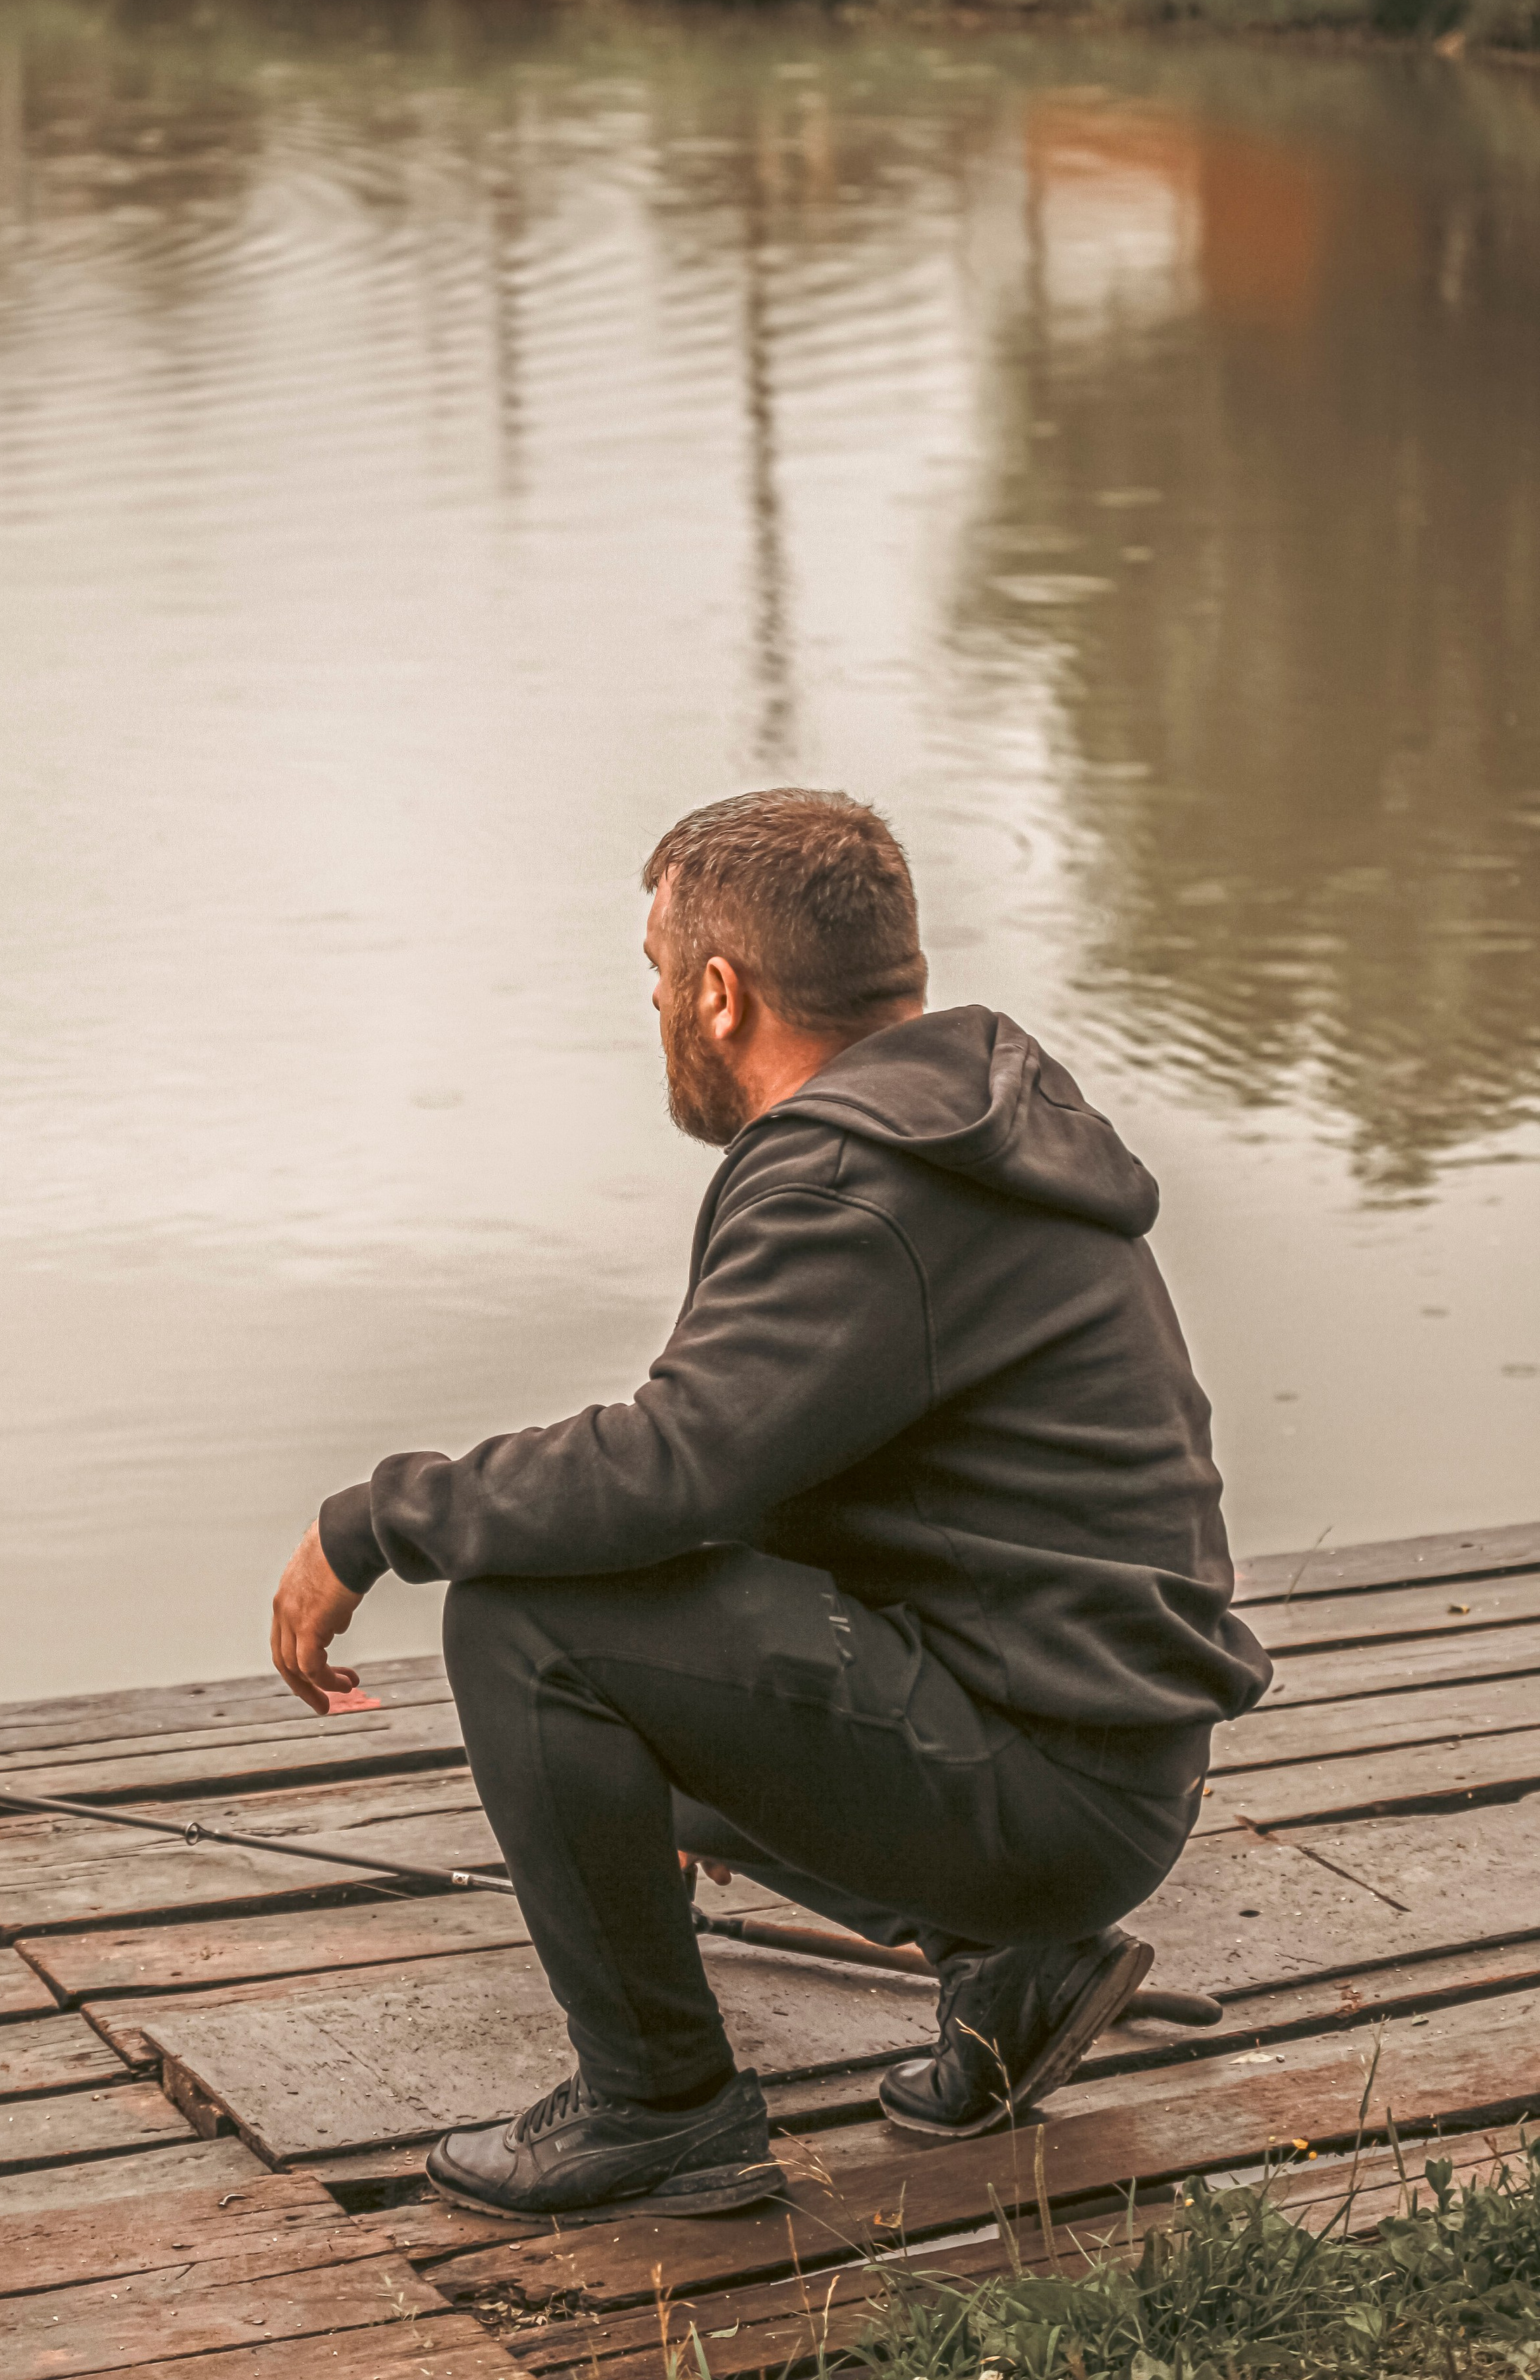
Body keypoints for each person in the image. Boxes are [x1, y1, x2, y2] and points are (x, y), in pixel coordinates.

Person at [270, 788, 1271, 2225]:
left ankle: (658, 2108)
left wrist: (376, 1518)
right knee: (608, 1713)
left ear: (721, 994)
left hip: (1055, 1791)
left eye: (658, 975)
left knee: (526, 1625)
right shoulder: (948, 1129)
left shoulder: (853, 1183)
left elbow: (669, 1467)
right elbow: (727, 1473)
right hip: (1081, 1756)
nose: (661, 1006)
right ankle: (1005, 1963)